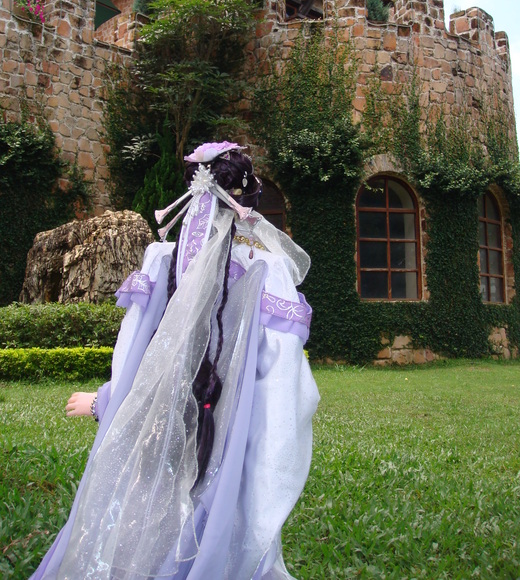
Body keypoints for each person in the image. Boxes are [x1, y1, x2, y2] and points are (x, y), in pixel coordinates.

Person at [31, 141, 320, 580]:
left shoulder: (163, 259)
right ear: (248, 199)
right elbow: (281, 384)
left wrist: (107, 401)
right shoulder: (267, 269)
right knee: (220, 516)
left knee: (143, 515)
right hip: (233, 440)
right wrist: (270, 453)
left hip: (163, 430)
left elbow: (137, 356)